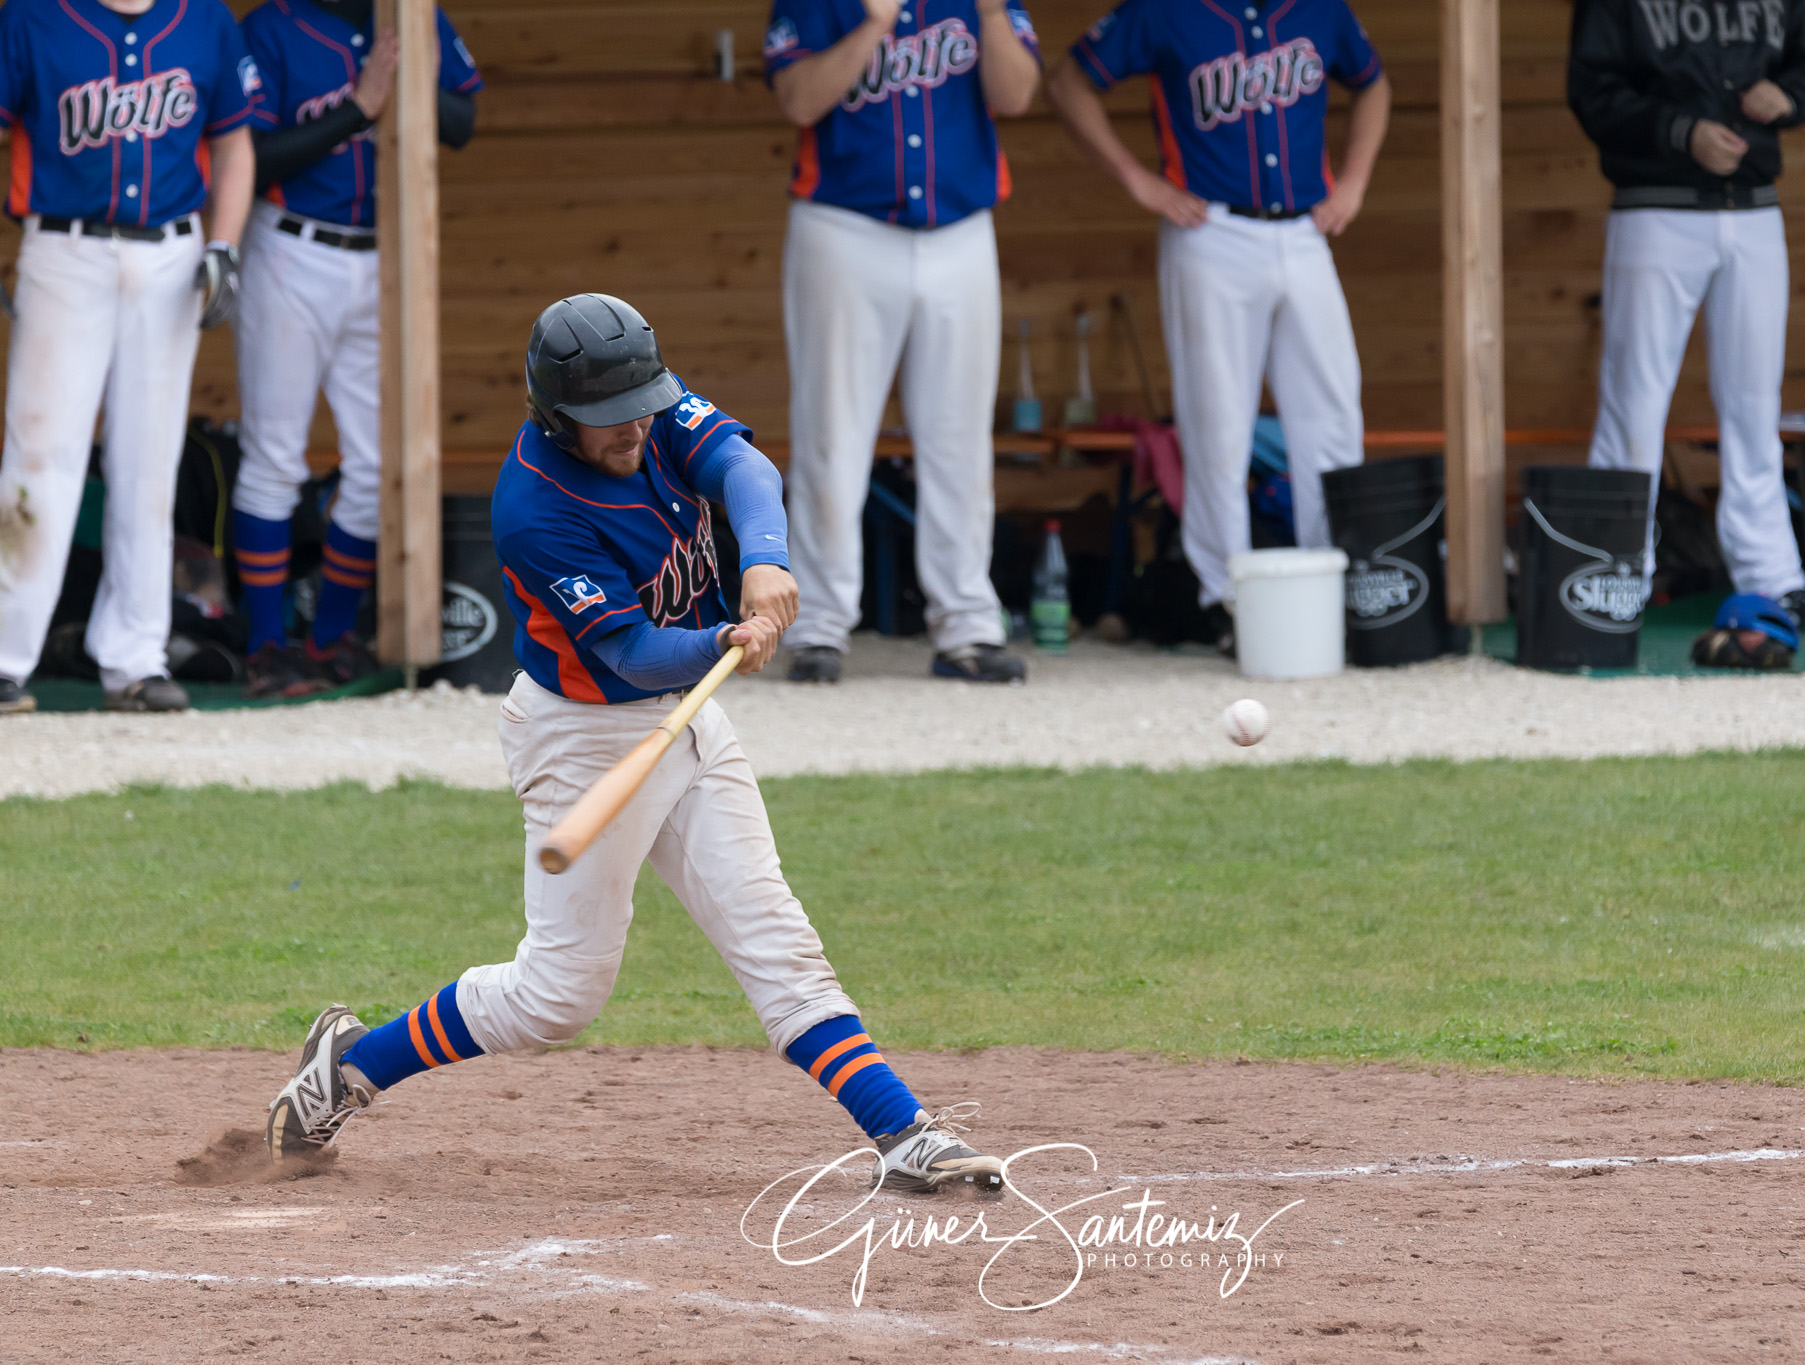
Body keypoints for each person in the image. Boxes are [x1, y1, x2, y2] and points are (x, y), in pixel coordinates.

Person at [265, 295, 1005, 1196]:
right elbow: (628, 651)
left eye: (643, 407)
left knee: (777, 937)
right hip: (582, 736)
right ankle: (350, 1065)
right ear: (556, 413)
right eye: (609, 421)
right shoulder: (535, 510)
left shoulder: (640, 400)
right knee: (557, 995)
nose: (634, 430)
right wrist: (722, 640)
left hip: (686, 717)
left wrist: (764, 555)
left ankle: (903, 1132)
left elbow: (742, 462)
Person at [1045, 0, 1390, 651]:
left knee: (1334, 415)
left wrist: (1355, 183)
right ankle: (1228, 602)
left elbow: (1372, 81)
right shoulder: (1165, 9)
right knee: (1217, 425)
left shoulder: (1319, 8)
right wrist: (1137, 180)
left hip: (1305, 225)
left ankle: (1336, 591)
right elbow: (1068, 82)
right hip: (1212, 228)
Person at [764, 0, 1040, 684]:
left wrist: (990, 14)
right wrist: (874, 25)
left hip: (960, 228)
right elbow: (798, 100)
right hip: (845, 226)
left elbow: (1017, 94)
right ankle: (820, 626)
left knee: (958, 439)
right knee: (834, 436)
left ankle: (968, 626)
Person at [0, 0, 258, 716]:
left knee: (148, 462)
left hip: (172, 254)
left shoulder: (203, 19)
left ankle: (136, 660)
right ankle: (4, 654)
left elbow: (235, 143)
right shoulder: (32, 17)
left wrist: (224, 248)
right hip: (63, 246)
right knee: (38, 457)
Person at [1568, 0, 1805, 650]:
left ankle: (1772, 579)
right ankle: (1613, 582)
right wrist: (1680, 131)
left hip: (1752, 210)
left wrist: (1790, 95)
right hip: (1655, 209)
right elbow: (1592, 91)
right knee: (1634, 404)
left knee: (1755, 406)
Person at [230, 0, 482, 699]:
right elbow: (250, 156)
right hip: (289, 246)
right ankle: (266, 647)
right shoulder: (272, 26)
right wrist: (358, 109)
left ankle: (331, 637)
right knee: (274, 456)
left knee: (377, 465)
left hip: (384, 255)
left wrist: (401, 83)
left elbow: (462, 123)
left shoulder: (411, 16)